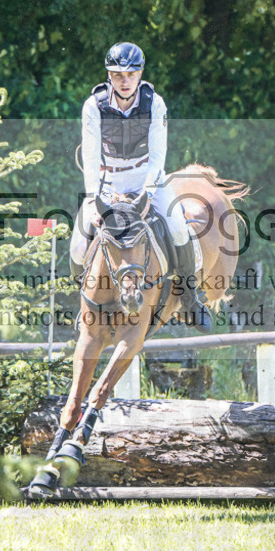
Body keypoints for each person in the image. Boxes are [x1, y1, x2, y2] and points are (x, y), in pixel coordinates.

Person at [69, 41, 212, 333]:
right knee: (77, 246)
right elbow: (91, 154)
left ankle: (190, 298)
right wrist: (93, 199)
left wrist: (145, 193)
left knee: (177, 227)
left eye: (130, 74)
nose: (124, 80)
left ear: (140, 73)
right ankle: (85, 306)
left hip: (148, 176)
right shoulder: (93, 106)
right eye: (117, 74)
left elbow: (158, 155)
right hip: (107, 181)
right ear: (109, 75)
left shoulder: (154, 102)